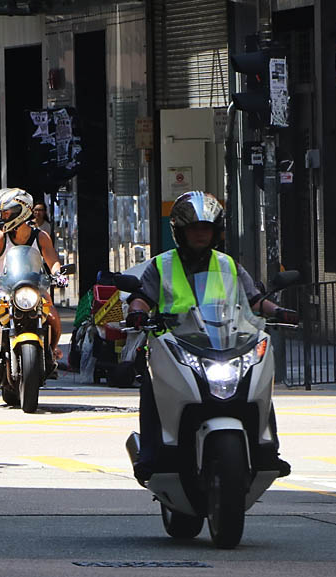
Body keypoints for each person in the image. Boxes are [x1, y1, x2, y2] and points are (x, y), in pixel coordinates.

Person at [125, 191, 296, 483]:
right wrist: (137, 313)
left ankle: (268, 449)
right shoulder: (162, 265)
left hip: (223, 342)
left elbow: (253, 300)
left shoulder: (228, 265)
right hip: (173, 344)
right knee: (152, 389)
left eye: (206, 228)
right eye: (194, 228)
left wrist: (279, 311)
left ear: (216, 231)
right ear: (180, 231)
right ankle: (151, 456)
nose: (201, 234)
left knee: (257, 383)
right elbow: (141, 296)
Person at [0, 189, 66, 370]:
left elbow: (53, 262)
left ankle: (51, 352)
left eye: (6, 213)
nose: (2, 218)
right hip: (4, 289)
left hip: (35, 289)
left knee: (54, 318)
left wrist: (58, 274)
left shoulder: (41, 236)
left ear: (20, 212)